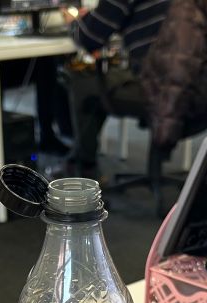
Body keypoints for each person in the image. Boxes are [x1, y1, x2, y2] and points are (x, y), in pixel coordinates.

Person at [63, 0, 171, 177]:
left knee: (84, 81)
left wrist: (74, 22)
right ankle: (79, 156)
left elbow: (89, 38)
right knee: (108, 77)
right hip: (195, 85)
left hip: (156, 89)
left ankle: (83, 166)